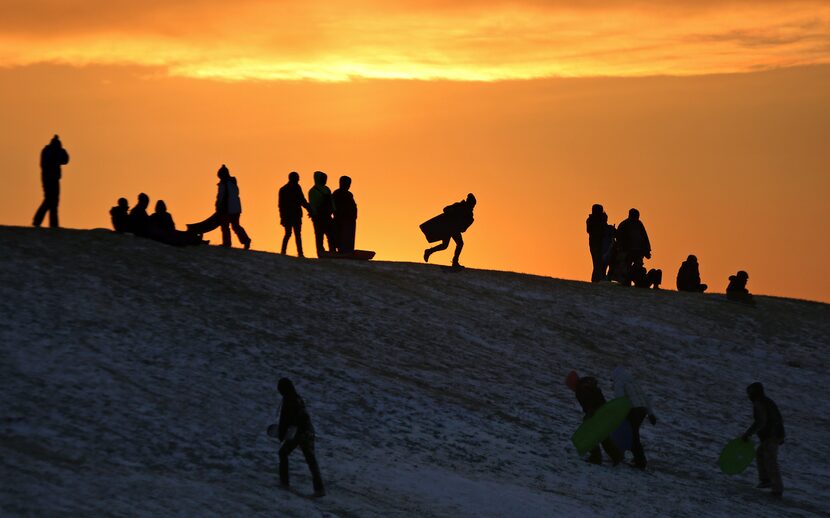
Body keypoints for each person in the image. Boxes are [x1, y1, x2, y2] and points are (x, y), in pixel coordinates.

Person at [276, 378, 325, 497]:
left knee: (283, 453)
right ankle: (319, 489)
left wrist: (282, 435)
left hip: (298, 433)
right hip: (308, 431)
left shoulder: (288, 400)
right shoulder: (297, 398)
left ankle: (284, 482)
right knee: (311, 460)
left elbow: (286, 420)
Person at [566, 371, 623, 466]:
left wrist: (589, 414)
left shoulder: (581, 389)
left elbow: (591, 401)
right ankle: (616, 456)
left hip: (596, 413)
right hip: (602, 411)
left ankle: (596, 457)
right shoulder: (587, 385)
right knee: (602, 436)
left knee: (590, 435)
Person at [741, 382, 785, 497]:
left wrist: (748, 434)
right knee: (761, 453)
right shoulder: (766, 401)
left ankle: (776, 489)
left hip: (771, 435)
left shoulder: (759, 403)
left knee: (770, 460)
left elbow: (761, 421)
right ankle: (766, 479)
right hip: (774, 434)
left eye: (750, 393)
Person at [612, 367, 657, 470]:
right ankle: (637, 459)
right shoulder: (634, 382)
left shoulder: (619, 382)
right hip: (642, 410)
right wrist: (650, 414)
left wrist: (617, 413)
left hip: (633, 411)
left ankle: (640, 462)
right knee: (633, 434)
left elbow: (620, 399)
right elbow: (645, 398)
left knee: (632, 436)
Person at [423, 193, 476, 269]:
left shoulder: (469, 215)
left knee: (456, 244)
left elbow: (463, 229)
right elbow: (445, 209)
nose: (473, 206)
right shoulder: (458, 206)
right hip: (448, 228)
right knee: (448, 245)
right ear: (469, 202)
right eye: (472, 204)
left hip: (455, 229)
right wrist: (452, 211)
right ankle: (429, 252)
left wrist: (465, 223)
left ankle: (430, 252)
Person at [33, 135, 70, 228]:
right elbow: (45, 164)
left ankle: (51, 224)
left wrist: (61, 150)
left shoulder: (51, 151)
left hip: (53, 179)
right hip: (49, 179)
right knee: (49, 200)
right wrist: (60, 151)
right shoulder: (48, 151)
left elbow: (65, 160)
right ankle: (39, 221)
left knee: (53, 202)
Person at [215, 164, 251, 249]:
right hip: (236, 208)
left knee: (225, 226)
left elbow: (221, 197)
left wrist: (218, 206)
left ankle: (227, 243)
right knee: (235, 226)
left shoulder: (224, 184)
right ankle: (245, 240)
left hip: (227, 208)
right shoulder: (232, 183)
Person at [616, 208, 652, 285]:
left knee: (638, 267)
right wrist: (622, 250)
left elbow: (645, 237)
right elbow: (619, 239)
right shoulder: (624, 224)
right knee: (626, 267)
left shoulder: (639, 224)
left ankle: (638, 282)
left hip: (638, 252)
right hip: (627, 252)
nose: (636, 218)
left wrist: (647, 250)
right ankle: (626, 281)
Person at [278, 172, 310, 257]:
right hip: (293, 215)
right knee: (295, 234)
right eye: (297, 178)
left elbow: (281, 206)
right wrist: (309, 209)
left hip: (290, 215)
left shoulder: (284, 189)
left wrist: (282, 217)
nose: (299, 180)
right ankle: (299, 253)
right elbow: (302, 200)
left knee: (289, 233)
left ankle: (285, 251)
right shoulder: (295, 188)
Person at [308, 171, 334, 257]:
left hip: (326, 216)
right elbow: (312, 204)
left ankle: (332, 251)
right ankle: (321, 252)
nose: (325, 180)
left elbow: (332, 202)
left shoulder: (327, 189)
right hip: (319, 217)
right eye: (323, 178)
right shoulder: (313, 191)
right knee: (320, 236)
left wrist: (334, 210)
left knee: (330, 235)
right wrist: (315, 214)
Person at [332, 175, 358, 253]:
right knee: (338, 237)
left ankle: (347, 251)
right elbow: (334, 206)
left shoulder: (349, 194)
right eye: (346, 183)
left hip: (349, 221)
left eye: (349, 184)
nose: (348, 186)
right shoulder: (336, 193)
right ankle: (336, 251)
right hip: (340, 220)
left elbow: (353, 206)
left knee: (348, 237)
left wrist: (354, 216)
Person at [586, 204, 609, 282]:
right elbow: (589, 230)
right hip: (595, 244)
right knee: (597, 263)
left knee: (602, 263)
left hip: (603, 244)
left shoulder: (601, 219)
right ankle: (596, 280)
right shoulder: (591, 220)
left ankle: (599, 279)